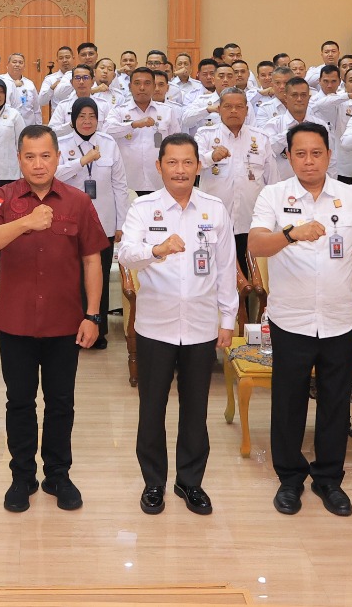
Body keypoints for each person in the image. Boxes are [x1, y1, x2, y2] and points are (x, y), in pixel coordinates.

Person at [247, 122, 352, 518]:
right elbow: (256, 244)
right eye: (301, 153)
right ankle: (290, 479)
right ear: (289, 157)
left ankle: (328, 479)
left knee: (336, 403)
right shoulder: (274, 195)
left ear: (329, 155)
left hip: (339, 320)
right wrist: (291, 234)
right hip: (291, 320)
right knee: (288, 404)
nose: (309, 161)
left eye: (316, 153)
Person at [0, 126, 106, 513]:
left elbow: (92, 261)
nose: (38, 164)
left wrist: (93, 314)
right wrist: (25, 223)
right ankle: (22, 477)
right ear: (18, 159)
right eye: (30, 156)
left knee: (61, 403)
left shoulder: (78, 201)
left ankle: (58, 475)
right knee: (19, 402)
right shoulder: (2, 197)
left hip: (65, 322)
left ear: (58, 157)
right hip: (15, 323)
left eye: (45, 156)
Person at [117, 133, 237, 516]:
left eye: (187, 162)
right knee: (152, 409)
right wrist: (157, 249)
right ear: (159, 166)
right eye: (172, 162)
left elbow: (226, 268)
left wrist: (228, 319)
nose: (180, 170)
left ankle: (190, 482)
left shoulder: (214, 209)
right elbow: (126, 254)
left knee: (195, 409)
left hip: (201, 327)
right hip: (155, 327)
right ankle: (153, 483)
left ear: (198, 166)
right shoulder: (143, 208)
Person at [56, 98, 129, 350]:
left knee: (100, 277)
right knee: (71, 277)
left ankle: (98, 330)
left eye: (92, 116)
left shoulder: (109, 144)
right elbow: (53, 175)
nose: (87, 121)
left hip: (103, 221)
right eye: (82, 116)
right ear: (73, 119)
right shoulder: (62, 144)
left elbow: (120, 185)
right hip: (70, 221)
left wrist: (121, 223)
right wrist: (81, 161)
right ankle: (71, 329)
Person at [196, 88, 270, 286]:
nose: (234, 111)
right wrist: (211, 156)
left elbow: (272, 182)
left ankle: (245, 306)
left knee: (249, 275)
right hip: (215, 220)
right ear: (219, 109)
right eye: (228, 106)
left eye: (239, 107)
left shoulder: (261, 138)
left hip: (249, 218)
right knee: (214, 273)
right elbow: (192, 167)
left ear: (247, 110)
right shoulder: (205, 135)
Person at [106, 67, 177, 196]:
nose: (142, 88)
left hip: (159, 180)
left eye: (147, 83)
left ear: (154, 86)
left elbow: (177, 145)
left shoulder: (167, 111)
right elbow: (107, 130)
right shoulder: (119, 111)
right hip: (128, 182)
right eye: (137, 83)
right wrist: (133, 124)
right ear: (130, 86)